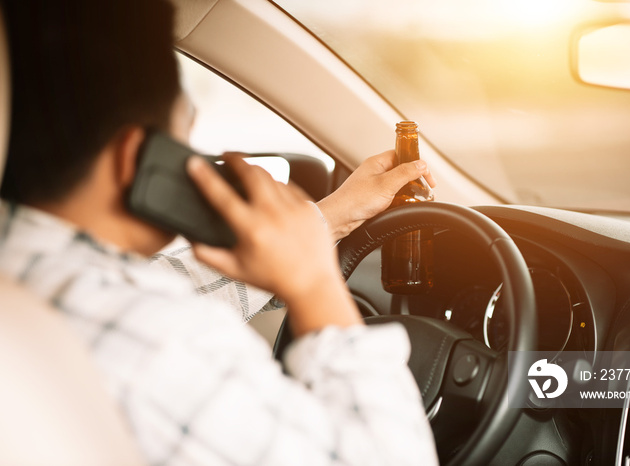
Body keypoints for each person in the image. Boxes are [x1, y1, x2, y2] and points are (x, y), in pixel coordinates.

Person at [0, 0, 438, 465]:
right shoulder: (158, 337)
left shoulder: (32, 271)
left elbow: (168, 282)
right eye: (185, 134)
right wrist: (315, 285)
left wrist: (331, 218)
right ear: (138, 158)